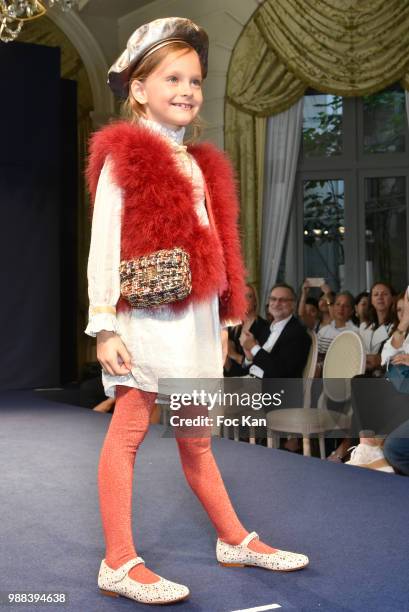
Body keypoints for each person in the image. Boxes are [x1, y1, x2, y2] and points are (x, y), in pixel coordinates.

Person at [85, 18, 308, 606]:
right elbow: (104, 245)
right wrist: (104, 323)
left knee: (197, 439)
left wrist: (227, 315)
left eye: (196, 80)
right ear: (138, 88)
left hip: (194, 321)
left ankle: (233, 538)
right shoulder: (124, 157)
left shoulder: (197, 162)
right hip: (145, 322)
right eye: (173, 77)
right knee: (129, 428)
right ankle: (117, 561)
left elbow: (212, 242)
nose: (188, 89)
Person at [240, 283, 311, 379]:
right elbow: (255, 364)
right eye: (273, 299)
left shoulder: (298, 333)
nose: (277, 303)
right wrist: (249, 358)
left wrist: (254, 347)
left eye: (283, 300)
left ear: (293, 305)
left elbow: (280, 372)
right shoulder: (267, 329)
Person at [224, 283, 267, 377]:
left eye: (249, 296)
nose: (245, 300)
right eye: (242, 296)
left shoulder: (263, 326)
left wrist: (235, 356)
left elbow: (260, 360)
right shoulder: (233, 325)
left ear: (255, 301)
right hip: (229, 376)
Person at [358, 282, 394, 374]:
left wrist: (381, 359)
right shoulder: (364, 327)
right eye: (376, 294)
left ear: (392, 298)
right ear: (371, 301)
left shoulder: (397, 326)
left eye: (384, 294)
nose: (380, 297)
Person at [316, 291, 358, 362]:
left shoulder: (355, 333)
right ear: (333, 307)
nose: (341, 308)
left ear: (351, 311)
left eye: (346, 306)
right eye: (338, 304)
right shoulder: (323, 331)